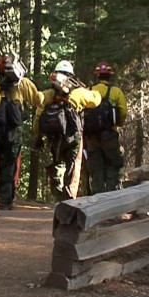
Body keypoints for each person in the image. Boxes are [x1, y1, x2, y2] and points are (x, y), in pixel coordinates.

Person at [0, 52, 44, 210]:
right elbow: (37, 100)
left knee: (1, 160)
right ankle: (6, 200)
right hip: (13, 128)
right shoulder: (23, 84)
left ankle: (4, 195)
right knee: (10, 162)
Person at [34, 60, 100, 201]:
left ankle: (57, 192)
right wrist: (88, 91)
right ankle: (69, 198)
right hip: (73, 135)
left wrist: (38, 136)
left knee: (58, 162)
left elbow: (38, 115)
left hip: (54, 136)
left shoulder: (49, 95)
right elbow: (96, 99)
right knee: (74, 165)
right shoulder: (78, 93)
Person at [84, 62, 128, 193]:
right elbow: (123, 111)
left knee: (96, 170)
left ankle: (96, 202)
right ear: (110, 76)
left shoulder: (90, 91)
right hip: (110, 136)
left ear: (97, 76)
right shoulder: (116, 92)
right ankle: (111, 200)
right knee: (112, 167)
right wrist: (117, 125)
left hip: (92, 138)